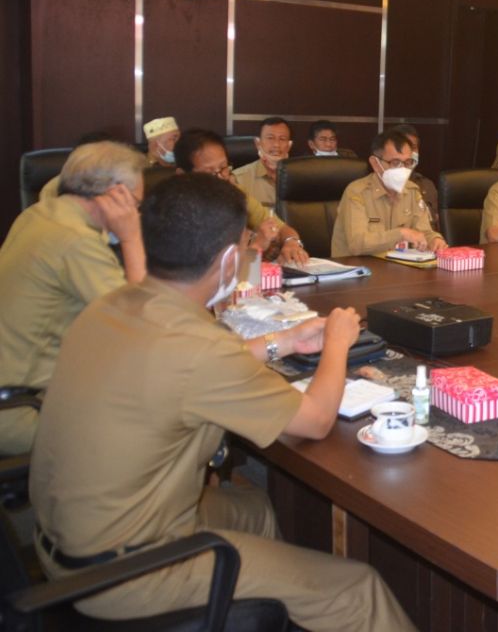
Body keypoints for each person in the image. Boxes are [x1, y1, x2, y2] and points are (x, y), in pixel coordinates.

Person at [29, 174, 415, 631]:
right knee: (358, 589)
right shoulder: (201, 347)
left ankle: (270, 611)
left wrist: (284, 342)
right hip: (120, 572)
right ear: (231, 259)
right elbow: (312, 421)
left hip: (57, 536)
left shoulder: (116, 303)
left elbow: (188, 365)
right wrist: (336, 342)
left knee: (254, 509)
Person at [0, 141, 146, 455]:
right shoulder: (76, 241)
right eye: (136, 203)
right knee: (153, 421)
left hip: (17, 391)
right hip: (21, 410)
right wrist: (132, 237)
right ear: (115, 196)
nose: (136, 212)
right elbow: (141, 326)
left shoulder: (39, 213)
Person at [175, 128, 309, 265]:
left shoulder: (234, 193)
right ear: (182, 176)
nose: (221, 179)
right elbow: (207, 274)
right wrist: (257, 247)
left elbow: (281, 228)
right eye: (209, 173)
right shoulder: (176, 212)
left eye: (223, 168)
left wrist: (290, 242)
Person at [330, 130, 446, 257]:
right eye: (395, 163)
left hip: (398, 269)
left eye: (407, 163)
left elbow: (424, 231)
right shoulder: (356, 193)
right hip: (358, 270)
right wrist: (401, 234)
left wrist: (435, 240)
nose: (403, 169)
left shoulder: (413, 191)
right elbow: (357, 244)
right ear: (375, 164)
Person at [233, 116, 292, 209]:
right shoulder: (238, 179)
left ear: (289, 146)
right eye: (270, 138)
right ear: (258, 143)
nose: (276, 144)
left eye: (282, 139)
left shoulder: (301, 178)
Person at [391, 123, 439, 231]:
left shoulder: (427, 186)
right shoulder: (384, 185)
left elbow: (435, 227)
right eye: (403, 147)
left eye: (413, 147)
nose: (409, 153)